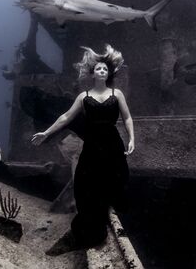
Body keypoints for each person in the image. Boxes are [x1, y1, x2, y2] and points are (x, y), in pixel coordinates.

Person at [31, 44, 135, 253]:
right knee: (83, 182)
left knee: (114, 181)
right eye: (98, 68)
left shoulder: (118, 94)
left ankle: (108, 215)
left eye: (105, 69)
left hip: (113, 144)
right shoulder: (83, 96)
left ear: (109, 73)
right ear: (92, 73)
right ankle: (87, 231)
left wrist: (132, 138)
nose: (102, 71)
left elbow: (127, 117)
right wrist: (46, 133)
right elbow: (66, 117)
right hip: (92, 143)